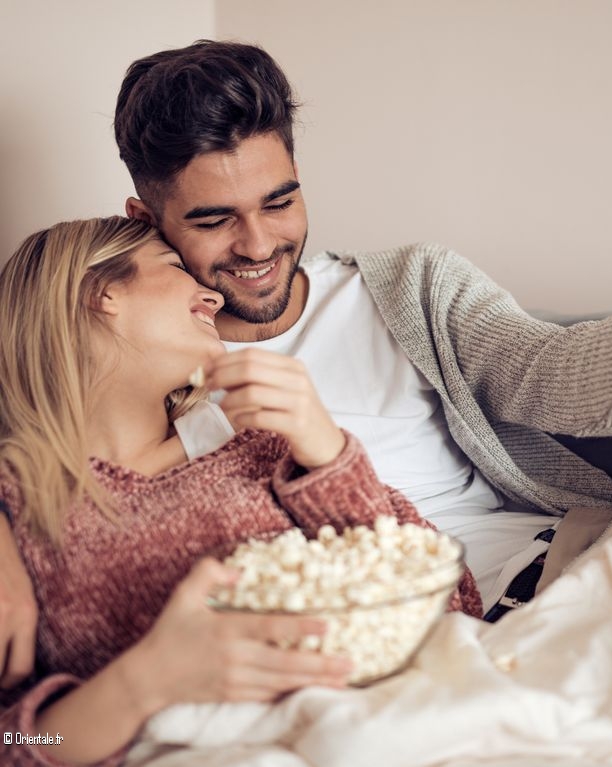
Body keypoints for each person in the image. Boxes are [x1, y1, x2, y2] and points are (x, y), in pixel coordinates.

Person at [3, 39, 612, 686]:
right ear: (147, 220)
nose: (260, 244)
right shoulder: (151, 369)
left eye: (279, 202)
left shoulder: (409, 287)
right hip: (386, 648)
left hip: (542, 575)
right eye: (213, 219)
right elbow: (55, 434)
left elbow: (563, 375)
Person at [0, 216, 482, 765]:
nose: (211, 296)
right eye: (178, 268)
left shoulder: (259, 447)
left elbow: (454, 598)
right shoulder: (18, 517)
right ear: (100, 292)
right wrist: (143, 681)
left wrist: (328, 454)